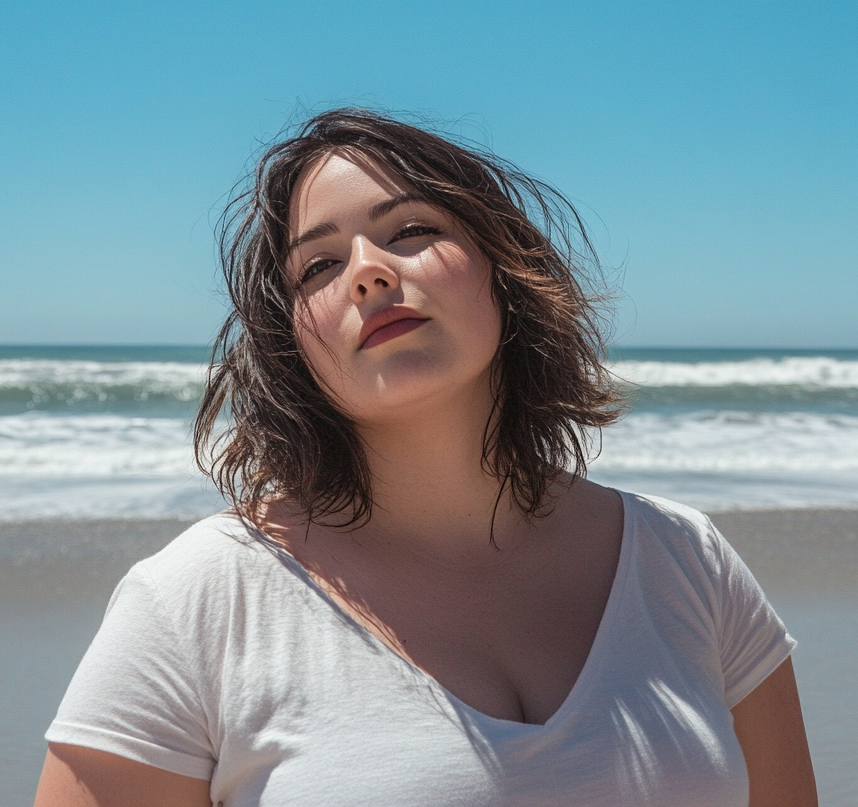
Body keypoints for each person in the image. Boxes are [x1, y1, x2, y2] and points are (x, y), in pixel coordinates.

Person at [35, 109, 817, 807]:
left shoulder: (685, 563)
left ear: (504, 270)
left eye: (411, 230)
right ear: (293, 347)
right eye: (319, 267)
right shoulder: (199, 601)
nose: (370, 269)